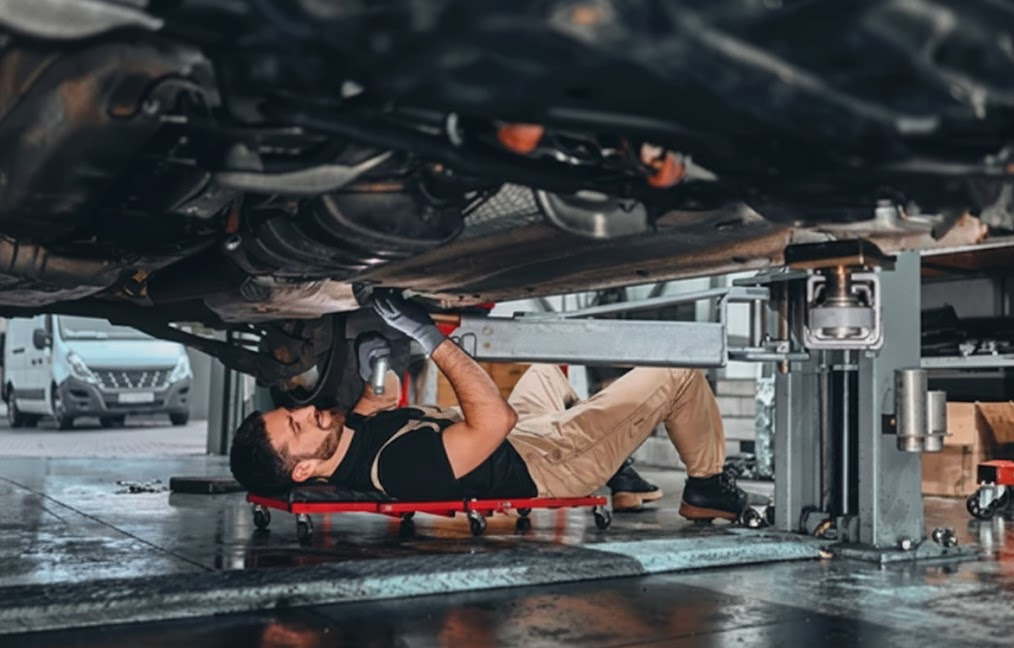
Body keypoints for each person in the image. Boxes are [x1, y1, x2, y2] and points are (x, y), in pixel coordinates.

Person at [230, 290, 747, 522]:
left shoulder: (348, 438)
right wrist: (430, 337)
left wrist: (378, 362)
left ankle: (622, 468)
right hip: (550, 464)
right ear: (303, 469)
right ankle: (706, 487)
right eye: (297, 426)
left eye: (291, 410)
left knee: (547, 362)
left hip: (528, 439)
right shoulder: (396, 468)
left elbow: (378, 401)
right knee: (676, 373)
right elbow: (496, 419)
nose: (307, 409)